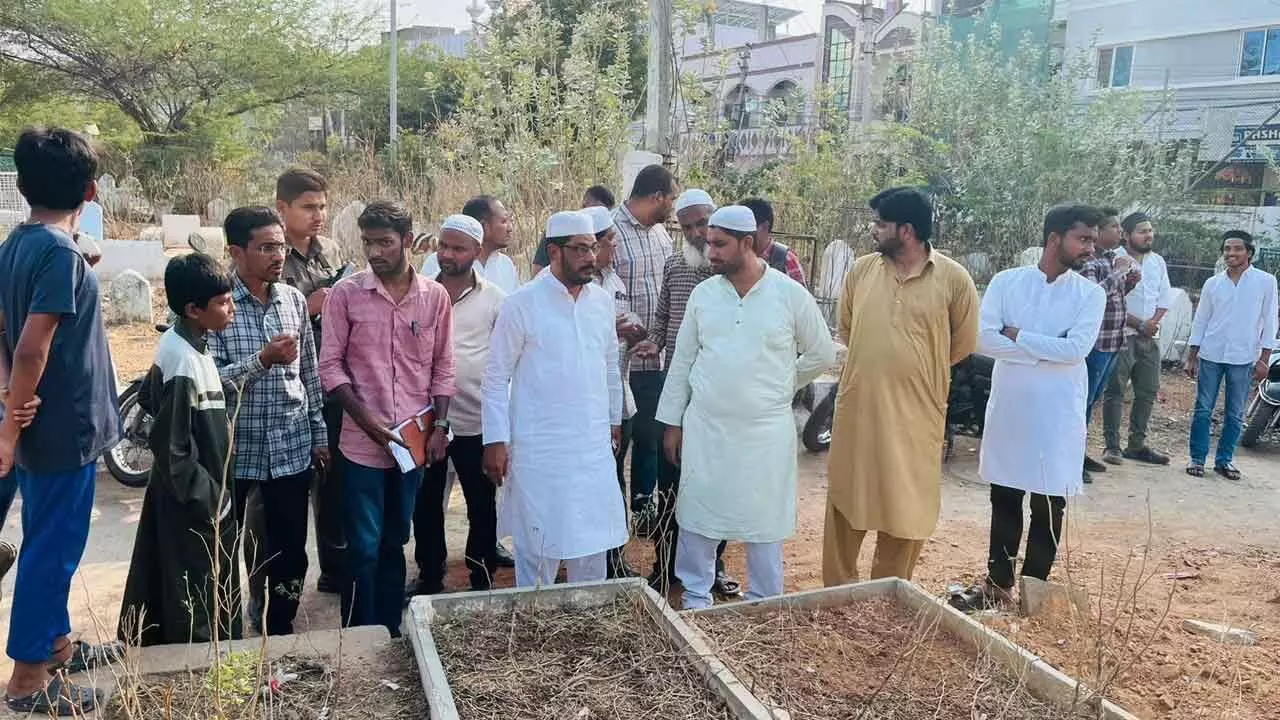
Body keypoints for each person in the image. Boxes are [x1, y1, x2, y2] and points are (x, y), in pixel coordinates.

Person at [656, 205, 836, 610]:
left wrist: (782, 381)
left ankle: (764, 602)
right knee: (699, 509)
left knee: (763, 515)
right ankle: (697, 599)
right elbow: (682, 360)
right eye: (708, 244)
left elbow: (821, 352)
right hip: (706, 427)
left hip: (764, 431)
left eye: (720, 244)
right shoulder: (705, 295)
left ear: (748, 243)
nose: (711, 252)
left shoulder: (788, 294)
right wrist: (672, 422)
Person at [0, 127, 121, 714]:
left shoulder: (17, 244)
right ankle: (28, 681)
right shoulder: (59, 254)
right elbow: (30, 345)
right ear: (92, 190)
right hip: (62, 429)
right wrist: (9, 425)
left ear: (22, 187)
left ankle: (55, 645)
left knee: (54, 541)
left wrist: (8, 396)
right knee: (51, 549)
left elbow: (5, 338)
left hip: (47, 424)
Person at [822, 187, 980, 586]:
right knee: (847, 497)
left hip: (916, 416)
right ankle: (837, 593)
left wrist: (913, 371)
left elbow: (960, 345)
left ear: (906, 231)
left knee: (906, 503)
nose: (874, 230)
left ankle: (889, 594)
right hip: (860, 409)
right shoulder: (861, 271)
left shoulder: (954, 279)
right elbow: (847, 328)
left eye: (881, 224)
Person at [953, 203, 1105, 611]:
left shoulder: (1090, 294)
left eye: (1093, 238)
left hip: (1056, 416)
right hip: (1012, 410)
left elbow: (1076, 350)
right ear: (1055, 238)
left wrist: (1018, 335)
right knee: (1004, 498)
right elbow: (983, 340)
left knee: (1048, 504)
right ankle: (997, 587)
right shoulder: (1007, 282)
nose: (1091, 246)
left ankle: (1033, 595)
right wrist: (1044, 350)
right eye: (1083, 238)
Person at [319, 201, 455, 636]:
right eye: (368, 243)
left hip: (412, 445)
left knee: (396, 540)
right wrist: (366, 422)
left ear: (409, 243)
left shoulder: (434, 298)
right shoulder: (346, 295)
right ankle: (359, 637)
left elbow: (443, 368)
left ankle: (391, 631)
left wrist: (440, 429)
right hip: (361, 447)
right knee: (362, 546)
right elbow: (331, 367)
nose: (375, 252)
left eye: (385, 242)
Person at [481, 211, 628, 587]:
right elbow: (496, 378)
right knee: (539, 545)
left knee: (593, 544)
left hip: (592, 445)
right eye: (580, 249)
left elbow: (611, 365)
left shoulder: (600, 302)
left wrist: (614, 420)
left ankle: (589, 621)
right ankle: (535, 625)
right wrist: (495, 440)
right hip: (540, 448)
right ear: (554, 251)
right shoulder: (522, 303)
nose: (590, 257)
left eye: (593, 247)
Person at [207, 206, 328, 636]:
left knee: (292, 550)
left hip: (291, 447)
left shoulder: (292, 300)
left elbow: (310, 374)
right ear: (236, 251)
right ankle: (225, 628)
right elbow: (207, 383)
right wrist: (261, 361)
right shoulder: (216, 304)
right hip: (236, 452)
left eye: (280, 246)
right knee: (225, 546)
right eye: (266, 248)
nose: (278, 256)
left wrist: (319, 433)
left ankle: (280, 625)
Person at [118, 253, 242, 647]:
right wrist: (213, 499)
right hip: (195, 502)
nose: (231, 309)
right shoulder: (183, 360)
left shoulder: (188, 345)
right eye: (223, 303)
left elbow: (147, 396)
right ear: (194, 309)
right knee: (196, 597)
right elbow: (173, 450)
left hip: (199, 497)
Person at [632, 189, 737, 596]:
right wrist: (653, 342)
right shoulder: (674, 265)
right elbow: (662, 320)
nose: (696, 233)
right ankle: (666, 564)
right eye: (688, 225)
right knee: (671, 482)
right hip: (674, 392)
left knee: (714, 483)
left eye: (703, 224)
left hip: (718, 395)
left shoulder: (728, 272)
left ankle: (714, 565)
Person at [410, 215, 505, 594]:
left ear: (477, 252)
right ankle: (430, 576)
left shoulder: (496, 300)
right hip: (426, 419)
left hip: (475, 418)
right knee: (426, 503)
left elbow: (504, 365)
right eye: (444, 246)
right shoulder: (419, 294)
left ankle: (481, 579)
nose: (448, 254)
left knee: (481, 504)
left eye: (458, 248)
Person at [276, 167, 347, 595]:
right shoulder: (268, 250)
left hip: (330, 376)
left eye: (322, 206)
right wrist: (313, 304)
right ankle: (278, 587)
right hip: (285, 383)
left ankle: (335, 568)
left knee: (332, 479)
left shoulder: (330, 250)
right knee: (281, 494)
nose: (317, 215)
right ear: (282, 207)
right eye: (308, 207)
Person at [1184, 231, 1278, 480]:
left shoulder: (1265, 281)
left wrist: (1264, 358)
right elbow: (1201, 320)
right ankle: (1197, 458)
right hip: (1212, 354)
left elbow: (1270, 320)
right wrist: (1192, 356)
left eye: (1236, 249)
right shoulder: (1213, 283)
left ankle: (1224, 461)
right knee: (1203, 408)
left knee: (1235, 412)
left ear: (1249, 253)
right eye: (1227, 249)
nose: (1231, 254)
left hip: (1244, 356)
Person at [584, 205, 645, 579]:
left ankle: (612, 555)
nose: (615, 248)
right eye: (610, 241)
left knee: (613, 479)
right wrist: (613, 329)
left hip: (619, 398)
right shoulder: (576, 287)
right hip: (586, 403)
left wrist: (632, 332)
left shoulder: (616, 283)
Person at [613, 166, 677, 519]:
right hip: (620, 362)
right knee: (618, 441)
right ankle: (614, 521)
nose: (672, 205)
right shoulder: (611, 232)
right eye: (672, 197)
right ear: (656, 197)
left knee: (651, 435)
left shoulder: (661, 235)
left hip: (654, 357)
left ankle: (643, 507)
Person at [1102, 212, 1172, 466]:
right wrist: (1140, 324)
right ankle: (1112, 446)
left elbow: (1164, 298)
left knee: (1147, 391)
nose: (1149, 235)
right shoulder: (1115, 259)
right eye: (1142, 231)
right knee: (1115, 390)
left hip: (1149, 338)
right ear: (1127, 234)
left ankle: (1137, 444)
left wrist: (1151, 323)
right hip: (1121, 335)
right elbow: (1112, 302)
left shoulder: (1158, 262)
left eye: (1151, 230)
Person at [1078, 208, 1141, 482]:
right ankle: (1070, 460)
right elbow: (1093, 297)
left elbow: (1115, 296)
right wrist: (1118, 273)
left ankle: (1079, 453)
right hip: (1095, 344)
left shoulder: (1110, 259)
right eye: (1115, 227)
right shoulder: (1089, 261)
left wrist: (1129, 281)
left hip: (1113, 342)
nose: (1120, 232)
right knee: (1080, 403)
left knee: (1092, 402)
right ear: (1099, 232)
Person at [422, 196, 519, 294]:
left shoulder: (506, 265)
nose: (510, 228)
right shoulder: (438, 263)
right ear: (483, 226)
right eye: (504, 221)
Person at [531, 185, 618, 277]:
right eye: (582, 249)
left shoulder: (607, 277)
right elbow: (538, 272)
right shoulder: (559, 230)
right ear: (584, 206)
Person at [738, 197, 806, 286]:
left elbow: (801, 298)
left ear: (765, 227)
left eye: (746, 228)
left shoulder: (785, 260)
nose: (740, 234)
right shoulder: (734, 257)